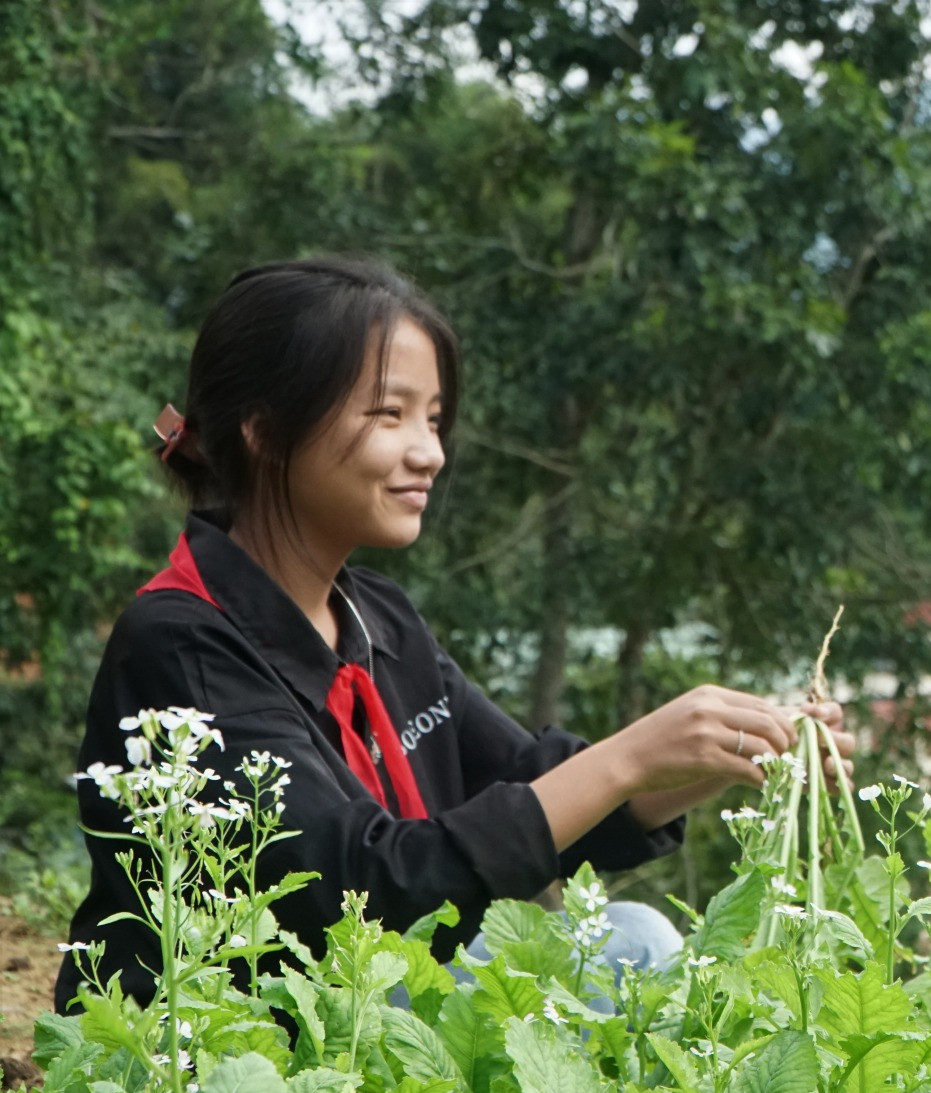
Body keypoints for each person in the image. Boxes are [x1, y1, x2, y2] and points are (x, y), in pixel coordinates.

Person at [55, 257, 852, 1011]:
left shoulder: (378, 617)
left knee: (634, 939)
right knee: (629, 949)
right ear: (264, 430)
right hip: (248, 1038)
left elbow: (539, 795)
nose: (428, 452)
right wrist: (631, 754)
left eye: (433, 419)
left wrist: (731, 748)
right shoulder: (182, 644)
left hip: (387, 1004)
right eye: (389, 414)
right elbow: (359, 892)